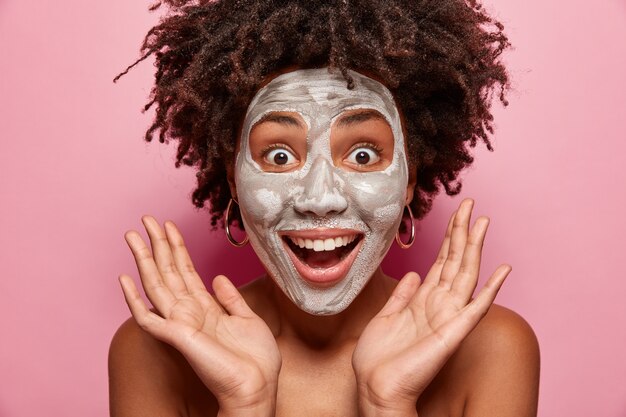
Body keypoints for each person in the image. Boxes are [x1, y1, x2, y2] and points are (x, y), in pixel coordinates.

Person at [109, 1, 540, 416]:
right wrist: (246, 404)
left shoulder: (491, 348)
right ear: (234, 179)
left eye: (363, 155)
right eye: (279, 155)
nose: (320, 200)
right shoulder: (158, 350)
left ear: (408, 179)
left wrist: (387, 404)